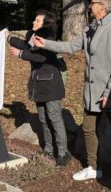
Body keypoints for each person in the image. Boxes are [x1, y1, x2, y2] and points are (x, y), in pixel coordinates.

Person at [33, 0, 111, 184]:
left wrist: (109, 93)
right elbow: (71, 47)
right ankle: (94, 168)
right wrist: (45, 43)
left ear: (102, 7)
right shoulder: (91, 29)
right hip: (92, 94)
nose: (89, 5)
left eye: (93, 2)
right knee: (88, 129)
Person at [7, 9, 70, 167]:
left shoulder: (48, 38)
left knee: (54, 118)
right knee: (43, 119)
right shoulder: (33, 36)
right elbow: (25, 46)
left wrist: (21, 54)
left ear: (45, 23)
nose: (33, 22)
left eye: (37, 20)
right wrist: (9, 37)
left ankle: (63, 153)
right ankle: (48, 150)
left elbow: (41, 56)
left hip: (51, 85)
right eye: (34, 20)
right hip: (38, 85)